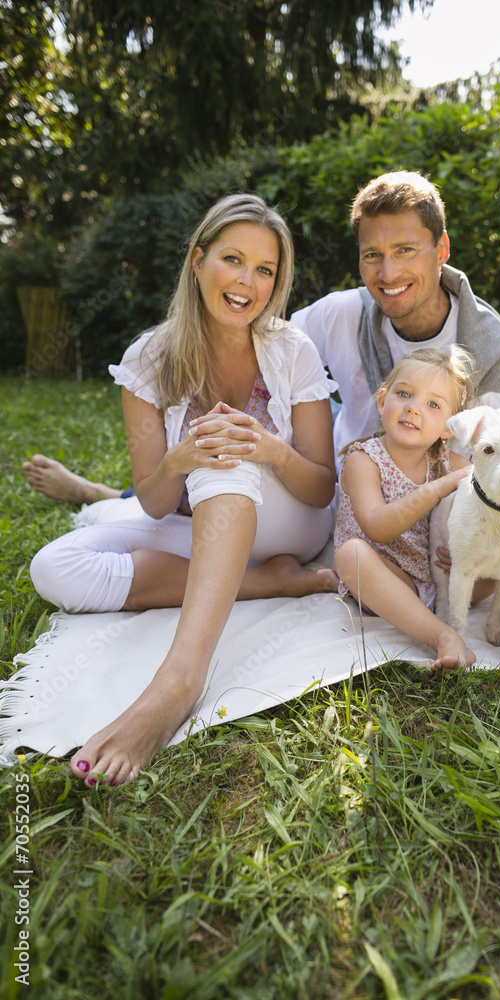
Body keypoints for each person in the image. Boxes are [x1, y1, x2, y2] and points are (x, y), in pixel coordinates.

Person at [28, 193, 338, 786]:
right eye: (232, 259)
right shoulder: (148, 358)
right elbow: (154, 500)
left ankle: (178, 682)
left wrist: (268, 448)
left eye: (265, 269)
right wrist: (178, 458)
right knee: (56, 567)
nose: (248, 281)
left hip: (288, 517)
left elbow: (323, 487)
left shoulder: (292, 349)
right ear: (198, 261)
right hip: (203, 524)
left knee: (223, 459)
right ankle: (265, 582)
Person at [291, 170, 500, 611]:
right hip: (366, 509)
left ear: (442, 250)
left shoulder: (486, 345)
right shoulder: (343, 314)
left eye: (405, 251)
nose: (388, 272)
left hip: (444, 534)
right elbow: (266, 341)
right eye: (372, 255)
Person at [334, 347, 500, 670]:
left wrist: (462, 549)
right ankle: (445, 636)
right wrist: (435, 489)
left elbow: (484, 498)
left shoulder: (447, 461)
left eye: (432, 404)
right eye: (404, 394)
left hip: (449, 576)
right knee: (351, 555)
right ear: (382, 401)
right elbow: (376, 525)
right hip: (394, 582)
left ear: (448, 428)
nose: (414, 409)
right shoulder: (364, 460)